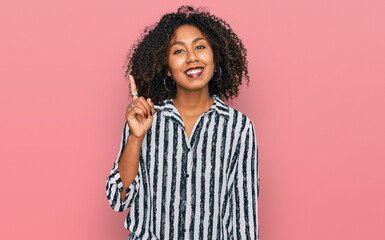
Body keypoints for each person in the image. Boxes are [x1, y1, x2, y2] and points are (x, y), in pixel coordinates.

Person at [106, 6, 259, 240]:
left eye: (199, 47)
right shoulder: (144, 119)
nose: (191, 58)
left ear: (214, 55)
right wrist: (136, 137)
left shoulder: (238, 128)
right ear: (166, 67)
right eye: (178, 51)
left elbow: (243, 220)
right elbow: (118, 199)